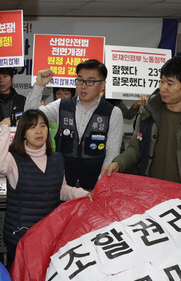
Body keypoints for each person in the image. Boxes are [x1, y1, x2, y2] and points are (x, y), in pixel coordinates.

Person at [101, 56, 181, 199]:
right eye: (161, 81)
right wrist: (118, 163)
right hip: (149, 196)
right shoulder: (148, 112)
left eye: (170, 84)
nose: (163, 88)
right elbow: (135, 149)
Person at [0, 110, 91, 263]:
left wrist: (84, 194)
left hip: (48, 235)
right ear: (22, 132)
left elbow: (61, 190)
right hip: (20, 236)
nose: (39, 131)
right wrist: (5, 131)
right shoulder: (13, 159)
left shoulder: (56, 158)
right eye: (32, 127)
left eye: (42, 126)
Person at [25, 59, 124, 190]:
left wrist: (101, 187)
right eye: (80, 80)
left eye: (90, 81)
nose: (83, 85)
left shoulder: (113, 112)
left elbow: (112, 154)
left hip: (93, 187)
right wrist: (39, 86)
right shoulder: (62, 105)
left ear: (103, 85)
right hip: (61, 186)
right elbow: (29, 117)